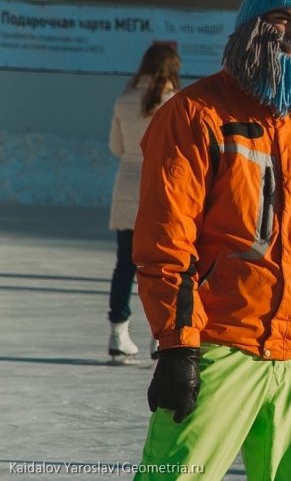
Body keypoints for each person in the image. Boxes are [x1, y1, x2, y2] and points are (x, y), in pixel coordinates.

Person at [133, 0, 291, 480]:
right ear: (251, 26)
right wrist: (178, 346)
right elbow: (166, 241)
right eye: (281, 19)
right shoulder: (195, 114)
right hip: (220, 345)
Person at [106, 42, 180, 363]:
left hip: (127, 187)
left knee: (125, 265)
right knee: (161, 266)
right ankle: (159, 336)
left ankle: (118, 333)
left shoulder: (124, 100)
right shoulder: (174, 102)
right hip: (161, 190)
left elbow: (116, 147)